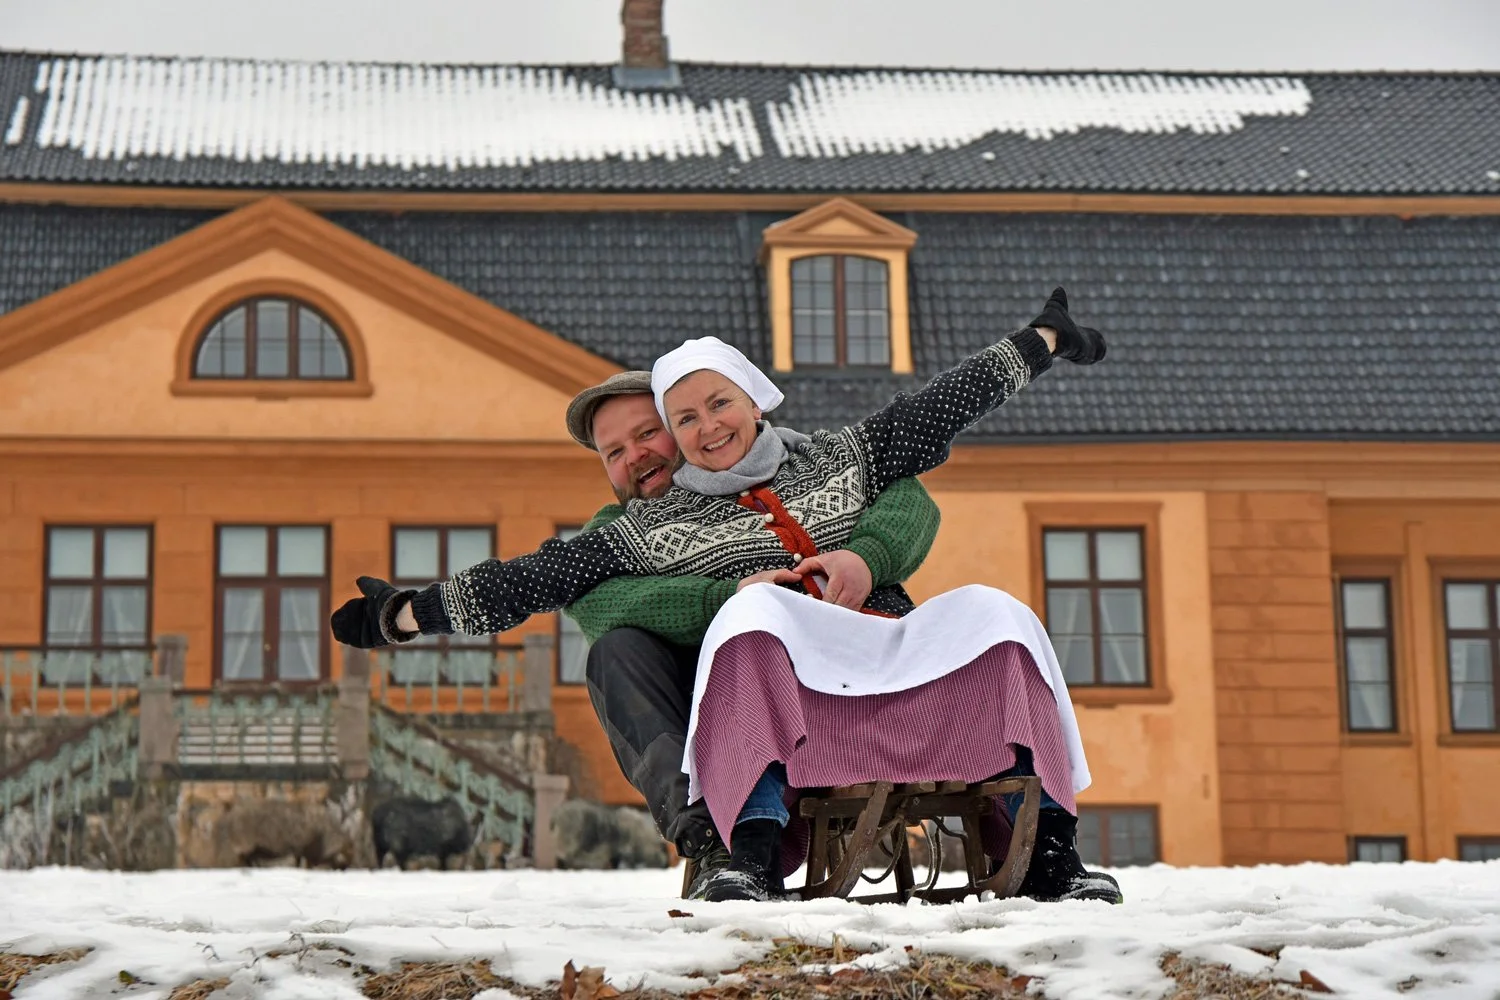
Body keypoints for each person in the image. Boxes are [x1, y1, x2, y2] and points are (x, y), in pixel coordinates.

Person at [332, 287, 1113, 902]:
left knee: (994, 610)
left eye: (716, 406)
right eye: (683, 419)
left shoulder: (842, 459)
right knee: (752, 613)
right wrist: (404, 614)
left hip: (885, 665)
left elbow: (946, 404)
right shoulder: (643, 529)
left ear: (754, 398)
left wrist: (1043, 341)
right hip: (777, 706)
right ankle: (746, 846)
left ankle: (1047, 846)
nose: (704, 429)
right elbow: (536, 581)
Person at [559, 369, 943, 898]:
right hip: (703, 710)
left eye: (648, 434)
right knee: (615, 652)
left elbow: (905, 495)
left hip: (824, 682)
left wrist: (865, 557)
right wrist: (722, 598)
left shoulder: (794, 467)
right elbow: (594, 601)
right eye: (613, 452)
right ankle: (713, 836)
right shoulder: (618, 531)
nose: (635, 457)